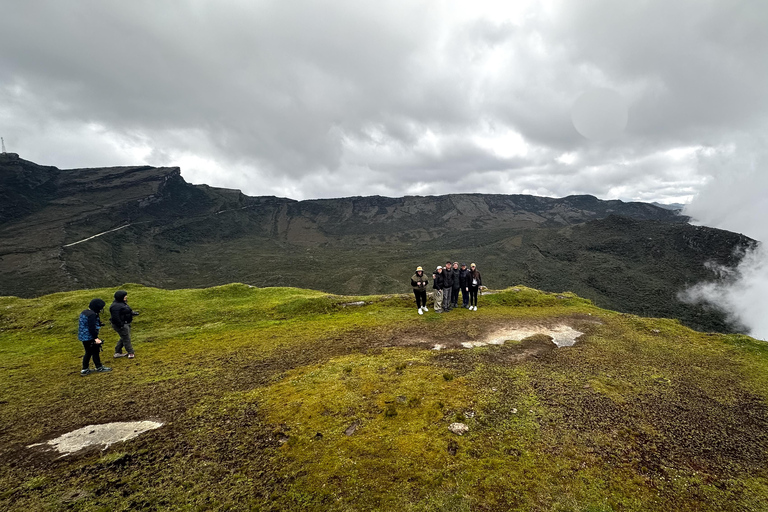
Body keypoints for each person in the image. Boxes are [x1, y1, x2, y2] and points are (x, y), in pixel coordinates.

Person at [78, 298, 112, 376]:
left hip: (83, 336)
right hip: (90, 337)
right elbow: (91, 327)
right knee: (95, 352)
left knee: (88, 352)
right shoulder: (92, 315)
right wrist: (95, 338)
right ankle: (98, 367)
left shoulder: (85, 312)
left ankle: (85, 369)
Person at [110, 290, 139, 359]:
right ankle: (130, 352)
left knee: (124, 337)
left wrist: (132, 313)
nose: (126, 297)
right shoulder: (115, 306)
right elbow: (115, 317)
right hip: (122, 325)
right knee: (126, 338)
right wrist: (121, 325)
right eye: (124, 296)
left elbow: (125, 311)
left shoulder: (122, 303)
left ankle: (117, 351)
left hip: (125, 323)